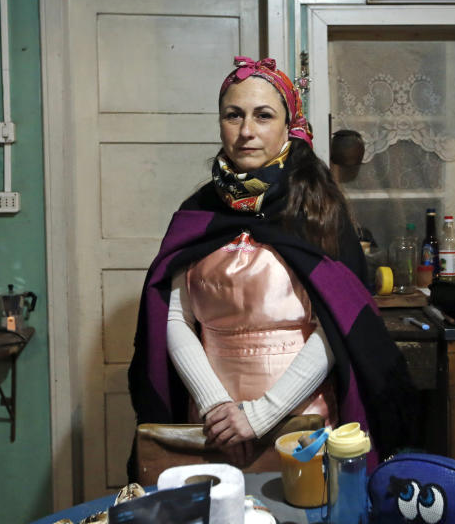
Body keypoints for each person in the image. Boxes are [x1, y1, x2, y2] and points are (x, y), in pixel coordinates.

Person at [128, 56, 417, 471]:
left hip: (304, 426)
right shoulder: (196, 214)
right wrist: (216, 408)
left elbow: (335, 326)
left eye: (263, 115)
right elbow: (175, 318)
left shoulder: (319, 212)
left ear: (288, 126)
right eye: (234, 115)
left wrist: (260, 415)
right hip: (213, 429)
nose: (246, 131)